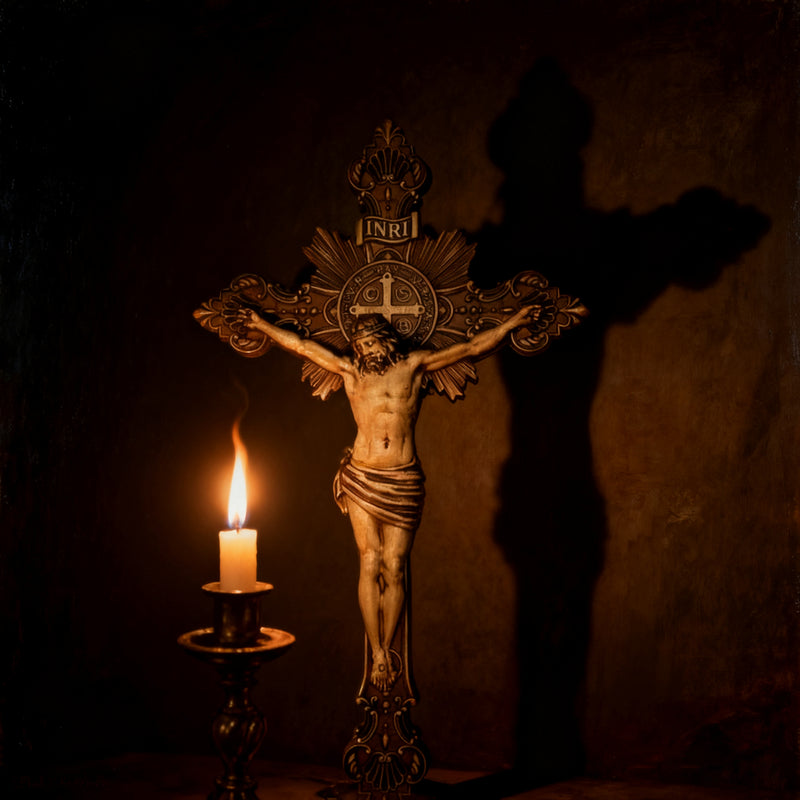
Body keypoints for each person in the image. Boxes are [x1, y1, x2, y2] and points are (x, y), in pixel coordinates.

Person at [236, 305, 539, 691]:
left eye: (368, 343)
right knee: (369, 559)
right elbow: (301, 346)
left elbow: (471, 347)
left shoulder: (414, 366)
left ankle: (388, 641)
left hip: (402, 475)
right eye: (358, 346)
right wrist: (262, 324)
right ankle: (379, 652)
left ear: (384, 339)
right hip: (363, 474)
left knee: (395, 565)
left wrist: (512, 323)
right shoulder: (350, 372)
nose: (364, 351)